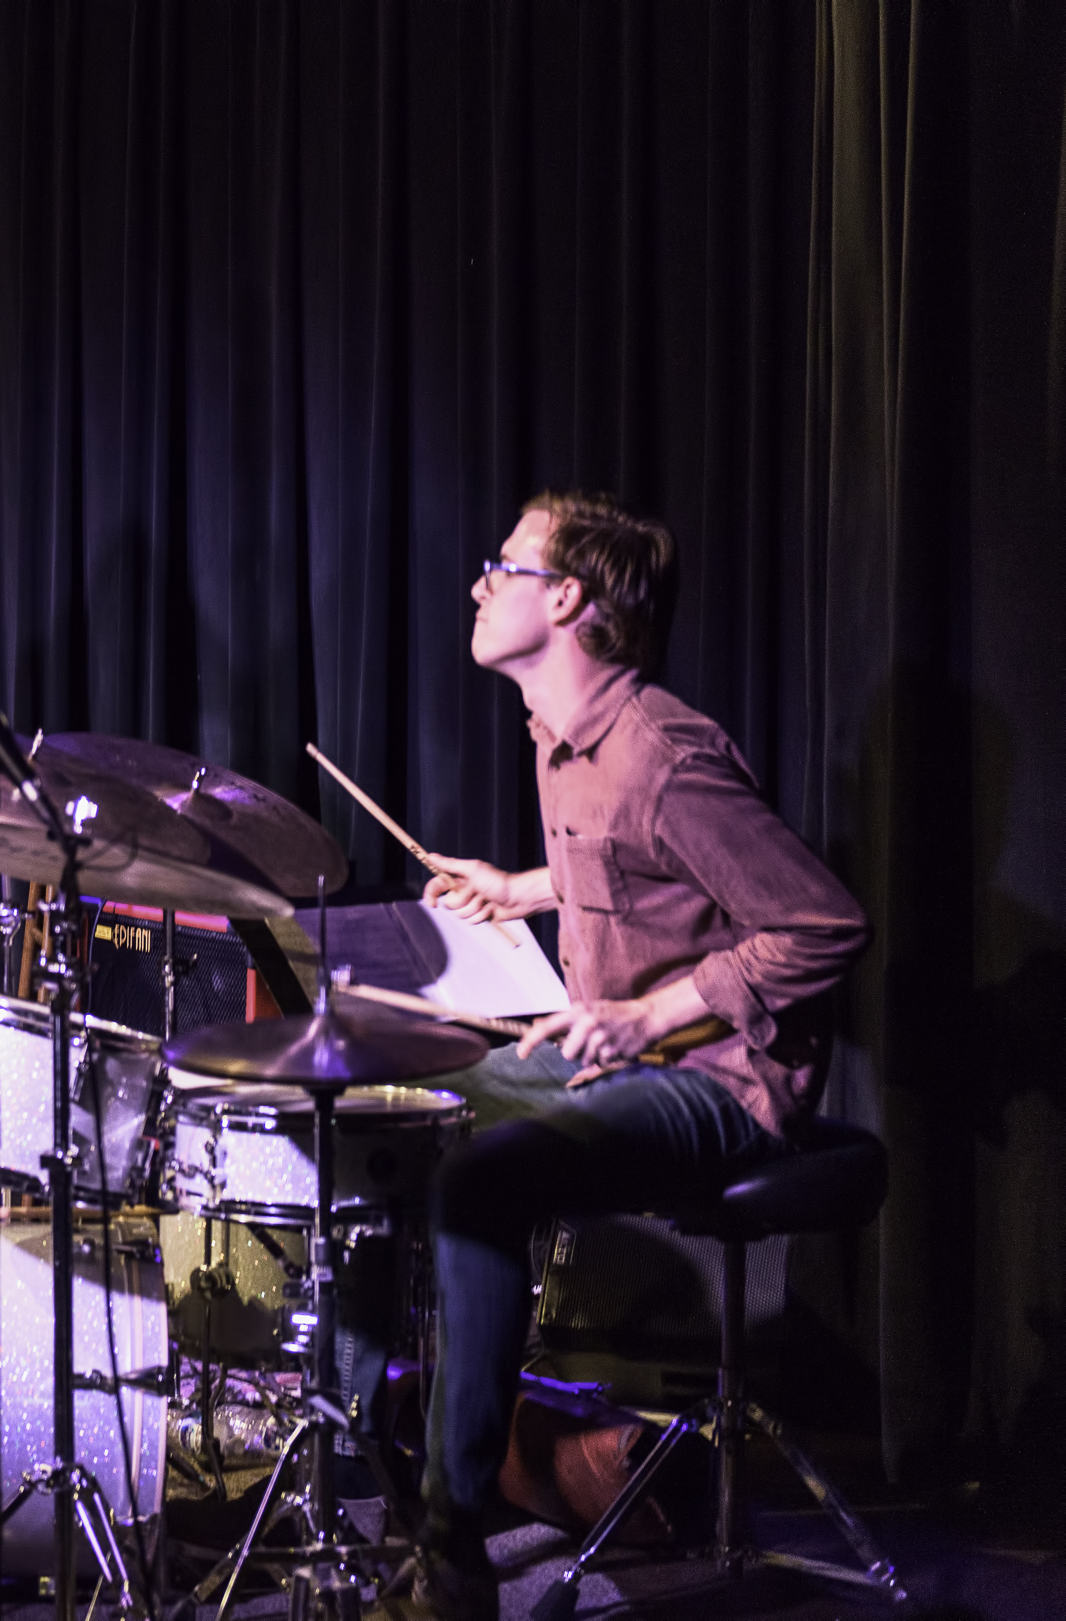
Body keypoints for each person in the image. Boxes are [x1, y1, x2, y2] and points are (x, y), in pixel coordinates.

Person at [409, 492, 869, 1619]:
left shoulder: (659, 750)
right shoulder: (561, 742)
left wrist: (650, 1015)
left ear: (565, 599)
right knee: (382, 1098)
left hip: (720, 1087)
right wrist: (518, 889)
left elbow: (823, 923)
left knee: (482, 1178)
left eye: (500, 567)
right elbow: (639, 878)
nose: (479, 585)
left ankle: (450, 1541)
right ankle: (377, 1445)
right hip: (624, 1066)